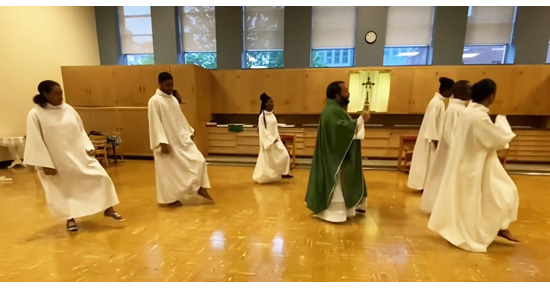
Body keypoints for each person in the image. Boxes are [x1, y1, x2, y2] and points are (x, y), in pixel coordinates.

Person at [428, 78, 519, 253]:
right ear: (491, 97)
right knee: (503, 194)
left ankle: (498, 226)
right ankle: (478, 231)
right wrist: (504, 126)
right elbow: (497, 139)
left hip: (470, 164)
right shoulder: (477, 117)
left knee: (493, 196)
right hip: (473, 167)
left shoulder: (469, 113)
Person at [23, 80, 123, 232]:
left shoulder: (69, 109)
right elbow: (35, 139)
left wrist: (88, 146)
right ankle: (70, 219)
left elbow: (80, 130)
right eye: (56, 94)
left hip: (78, 156)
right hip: (56, 161)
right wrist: (44, 164)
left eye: (61, 92)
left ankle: (108, 209)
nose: (60, 96)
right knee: (65, 190)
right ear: (45, 94)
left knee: (101, 177)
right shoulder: (35, 114)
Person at [305, 81, 370, 223]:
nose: (348, 93)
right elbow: (339, 130)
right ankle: (333, 212)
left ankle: (347, 209)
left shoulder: (336, 109)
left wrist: (357, 123)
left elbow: (343, 127)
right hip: (333, 157)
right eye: (345, 91)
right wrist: (360, 121)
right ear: (336, 95)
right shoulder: (331, 111)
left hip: (338, 155)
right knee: (336, 183)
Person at [147, 72, 213, 206]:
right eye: (167, 85)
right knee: (169, 172)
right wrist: (162, 142)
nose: (170, 88)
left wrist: (188, 131)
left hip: (180, 140)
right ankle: (169, 199)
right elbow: (154, 122)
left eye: (172, 85)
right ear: (160, 84)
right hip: (166, 143)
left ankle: (200, 187)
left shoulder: (173, 99)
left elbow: (179, 118)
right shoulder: (154, 101)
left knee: (199, 160)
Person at [421, 80, 472, 213]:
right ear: (460, 91)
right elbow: (450, 134)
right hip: (451, 151)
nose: (470, 92)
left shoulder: (459, 108)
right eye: (468, 89)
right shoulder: (453, 109)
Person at [407, 77, 454, 191]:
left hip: (434, 138)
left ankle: (426, 185)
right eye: (451, 90)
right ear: (446, 90)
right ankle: (424, 186)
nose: (452, 93)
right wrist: (436, 141)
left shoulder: (439, 102)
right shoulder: (436, 104)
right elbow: (431, 124)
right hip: (431, 139)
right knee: (428, 163)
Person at [252, 93, 293, 184]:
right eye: (271, 102)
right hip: (268, 142)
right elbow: (263, 130)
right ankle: (267, 175)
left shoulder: (272, 114)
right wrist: (270, 140)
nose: (273, 104)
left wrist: (278, 138)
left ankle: (283, 172)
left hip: (276, 140)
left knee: (285, 155)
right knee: (268, 160)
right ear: (266, 104)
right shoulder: (262, 116)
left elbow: (275, 128)